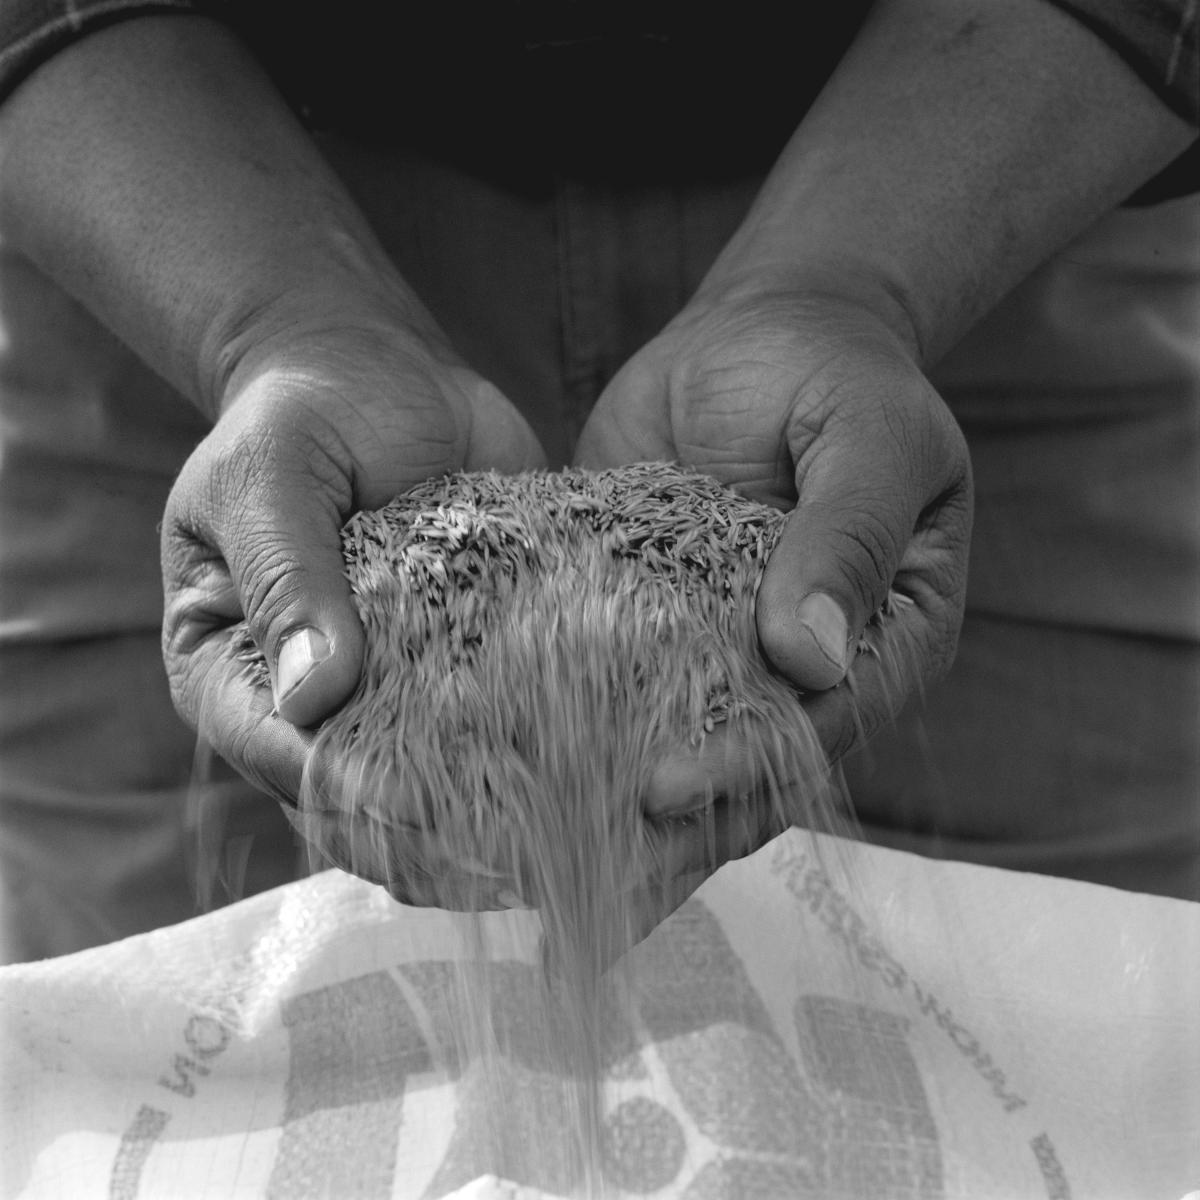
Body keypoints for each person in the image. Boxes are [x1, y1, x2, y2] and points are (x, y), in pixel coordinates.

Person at [0, 1, 1195, 963]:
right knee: (179, 1070)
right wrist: (262, 325)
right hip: (159, 189)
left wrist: (857, 286)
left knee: (1071, 1055)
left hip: (1003, 160)